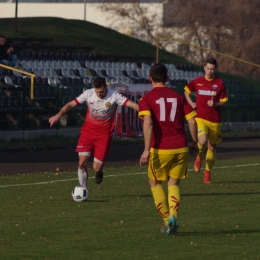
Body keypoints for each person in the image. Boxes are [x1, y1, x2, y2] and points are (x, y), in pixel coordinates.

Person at [139, 63, 197, 236]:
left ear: (150, 78)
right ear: (167, 78)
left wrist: (146, 149)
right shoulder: (178, 97)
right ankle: (173, 216)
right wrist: (194, 142)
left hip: (160, 148)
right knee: (173, 183)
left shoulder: (146, 99)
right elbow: (192, 121)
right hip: (180, 147)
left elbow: (148, 123)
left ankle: (167, 222)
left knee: (155, 183)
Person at [49, 77, 138, 187]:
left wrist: (146, 113)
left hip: (104, 136)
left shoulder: (114, 95)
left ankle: (99, 171)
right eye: (96, 92)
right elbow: (71, 104)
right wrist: (58, 115)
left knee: (96, 167)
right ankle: (83, 189)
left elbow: (133, 105)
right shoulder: (88, 93)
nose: (99, 94)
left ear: (106, 87)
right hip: (87, 133)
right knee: (81, 163)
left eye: (101, 92)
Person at [184, 57, 228, 184]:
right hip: (201, 117)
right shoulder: (198, 81)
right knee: (202, 140)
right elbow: (186, 91)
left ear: (215, 69)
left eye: (212, 69)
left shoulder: (220, 83)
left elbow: (224, 103)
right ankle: (198, 157)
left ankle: (207, 171)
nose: (209, 71)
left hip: (214, 120)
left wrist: (215, 104)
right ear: (204, 68)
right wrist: (191, 102)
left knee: (212, 148)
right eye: (208, 68)